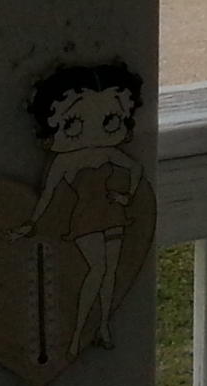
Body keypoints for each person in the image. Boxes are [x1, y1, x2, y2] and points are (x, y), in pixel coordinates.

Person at [13, 60, 145, 357]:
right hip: (86, 218)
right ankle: (78, 333)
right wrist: (31, 223)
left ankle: (103, 325)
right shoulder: (64, 161)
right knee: (97, 268)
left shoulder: (108, 153)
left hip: (112, 213)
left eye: (110, 120)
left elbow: (135, 169)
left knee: (110, 272)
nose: (93, 133)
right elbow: (47, 195)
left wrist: (126, 196)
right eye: (73, 124)